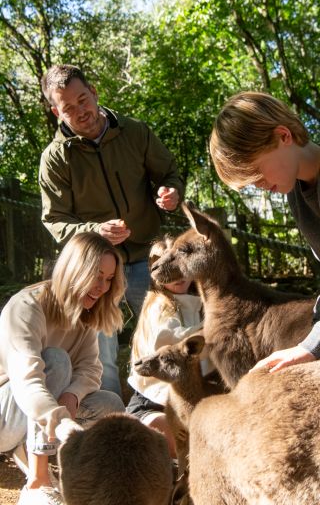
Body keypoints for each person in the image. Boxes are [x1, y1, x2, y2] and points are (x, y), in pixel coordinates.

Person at [39, 64, 184, 396]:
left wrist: (170, 193)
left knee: (165, 328)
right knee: (99, 349)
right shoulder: (55, 159)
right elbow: (55, 220)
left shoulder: (136, 132)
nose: (80, 111)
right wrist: (95, 231)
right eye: (68, 108)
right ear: (56, 111)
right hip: (97, 269)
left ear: (94, 93)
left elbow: (169, 174)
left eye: (82, 100)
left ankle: (167, 405)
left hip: (149, 255)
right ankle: (109, 417)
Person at [0, 232, 126, 505]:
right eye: (96, 275)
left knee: (109, 403)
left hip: (39, 412)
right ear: (74, 269)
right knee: (56, 361)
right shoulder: (26, 307)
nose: (101, 287)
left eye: (108, 279)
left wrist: (72, 398)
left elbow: (91, 369)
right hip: (6, 415)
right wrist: (59, 415)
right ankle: (38, 484)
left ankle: (65, 469)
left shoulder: (84, 315)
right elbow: (28, 381)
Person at [210, 90, 320, 373]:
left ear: (283, 136)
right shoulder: (295, 192)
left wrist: (311, 347)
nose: (257, 184)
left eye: (257, 172)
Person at [127, 236, 212, 457]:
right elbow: (173, 345)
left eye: (181, 267)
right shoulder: (158, 306)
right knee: (188, 445)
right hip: (155, 402)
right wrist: (216, 326)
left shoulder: (197, 303)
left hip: (188, 398)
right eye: (166, 270)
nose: (177, 276)